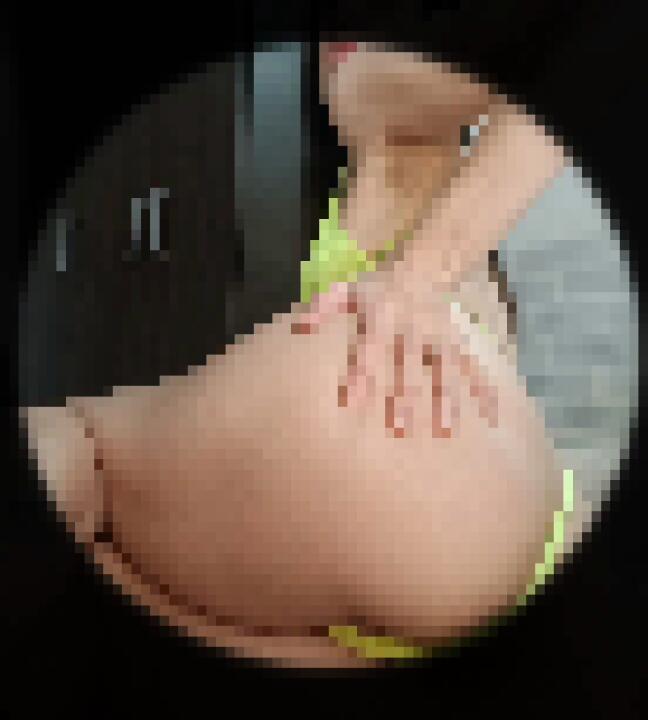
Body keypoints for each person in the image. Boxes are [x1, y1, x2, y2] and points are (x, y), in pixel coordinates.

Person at [21, 41, 581, 669]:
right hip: (522, 537)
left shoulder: (384, 105)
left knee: (80, 442)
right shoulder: (459, 242)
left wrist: (415, 280)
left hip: (418, 503)